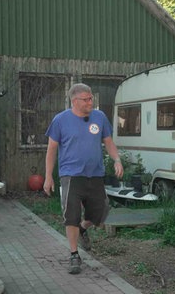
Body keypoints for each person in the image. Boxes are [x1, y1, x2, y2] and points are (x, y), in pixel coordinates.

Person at [43, 83, 123, 274]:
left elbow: (109, 142)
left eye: (91, 98)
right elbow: (51, 150)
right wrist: (48, 177)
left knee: (100, 212)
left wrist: (117, 160)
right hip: (71, 175)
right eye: (86, 99)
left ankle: (83, 228)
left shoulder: (99, 117)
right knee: (71, 215)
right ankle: (74, 255)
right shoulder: (61, 120)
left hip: (95, 173)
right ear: (74, 101)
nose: (90, 102)